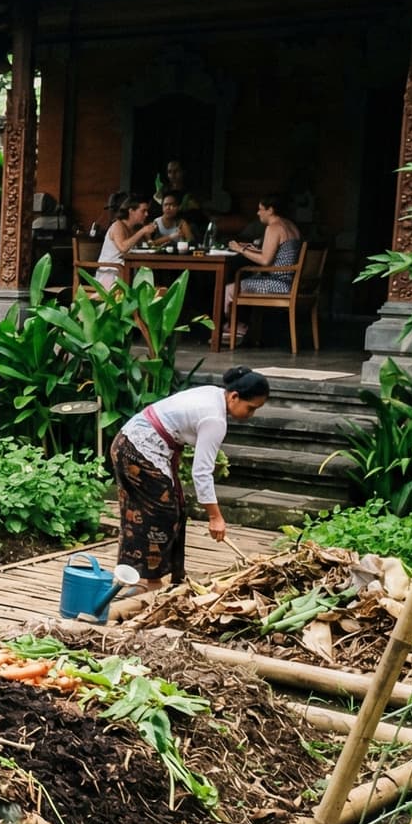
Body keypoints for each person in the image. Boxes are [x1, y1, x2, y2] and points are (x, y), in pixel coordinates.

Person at [111, 368, 271, 588]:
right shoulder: (215, 419)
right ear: (234, 396)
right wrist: (215, 517)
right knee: (163, 513)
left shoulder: (214, 394)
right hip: (139, 448)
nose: (251, 415)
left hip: (126, 442)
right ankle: (150, 582)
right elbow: (202, 472)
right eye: (250, 408)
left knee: (157, 509)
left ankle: (157, 577)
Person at [221, 194, 303, 346]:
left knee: (228, 290)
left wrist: (240, 249)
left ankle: (237, 328)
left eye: (260, 209)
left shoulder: (274, 227)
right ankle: (245, 329)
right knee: (245, 280)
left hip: (278, 284)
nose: (258, 213)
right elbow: (274, 255)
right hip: (288, 281)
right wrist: (252, 249)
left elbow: (265, 261)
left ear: (270, 210)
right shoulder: (290, 225)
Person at [96, 194, 159, 289]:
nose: (147, 214)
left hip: (127, 271)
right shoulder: (117, 225)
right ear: (131, 211)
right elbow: (123, 248)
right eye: (143, 211)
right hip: (110, 273)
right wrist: (142, 231)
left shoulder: (133, 228)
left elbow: (148, 246)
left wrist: (148, 238)